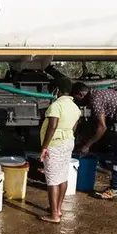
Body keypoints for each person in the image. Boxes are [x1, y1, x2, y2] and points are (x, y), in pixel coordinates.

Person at [39, 77, 81, 223]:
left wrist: (45, 147)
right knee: (62, 176)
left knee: (52, 180)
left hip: (55, 144)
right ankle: (58, 209)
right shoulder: (75, 107)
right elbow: (74, 127)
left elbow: (52, 126)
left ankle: (54, 215)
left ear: (57, 89)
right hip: (68, 142)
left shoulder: (56, 105)